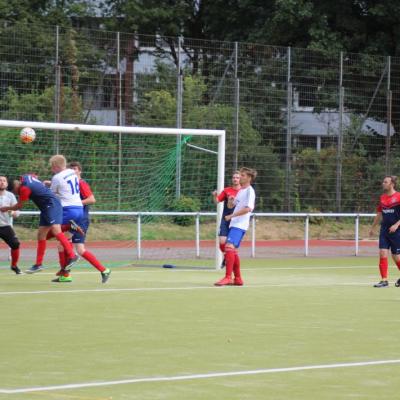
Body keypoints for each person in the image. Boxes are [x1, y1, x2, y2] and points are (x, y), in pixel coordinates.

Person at [0, 174, 79, 273]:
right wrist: (42, 185)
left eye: (16, 192)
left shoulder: (24, 189)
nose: (17, 194)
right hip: (45, 208)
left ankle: (72, 255)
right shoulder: (25, 177)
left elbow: (18, 206)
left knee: (55, 229)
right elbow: (35, 176)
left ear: (15, 188)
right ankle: (38, 264)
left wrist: (6, 208)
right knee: (41, 235)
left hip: (52, 204)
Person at [64, 161, 111, 283]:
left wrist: (76, 203)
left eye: (75, 169)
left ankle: (103, 270)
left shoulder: (81, 183)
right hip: (74, 219)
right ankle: (66, 274)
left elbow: (91, 199)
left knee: (78, 249)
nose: (73, 171)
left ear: (80, 171)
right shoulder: (71, 185)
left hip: (81, 220)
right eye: (71, 169)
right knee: (66, 244)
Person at [214, 167, 257, 287]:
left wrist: (231, 215)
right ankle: (238, 279)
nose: (240, 177)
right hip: (234, 224)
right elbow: (231, 204)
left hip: (240, 224)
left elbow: (248, 208)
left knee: (228, 247)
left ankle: (228, 277)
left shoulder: (249, 191)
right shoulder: (241, 191)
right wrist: (230, 202)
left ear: (249, 178)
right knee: (232, 251)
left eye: (242, 175)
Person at [370, 175, 400, 288]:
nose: (383, 183)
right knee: (382, 253)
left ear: (392, 184)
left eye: (385, 182)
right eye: (383, 182)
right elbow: (379, 213)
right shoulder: (382, 197)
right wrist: (372, 227)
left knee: (396, 256)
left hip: (397, 231)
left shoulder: (398, 197)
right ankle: (384, 280)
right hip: (384, 230)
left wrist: (396, 225)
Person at [212, 171, 241, 267]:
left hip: (237, 220)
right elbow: (216, 201)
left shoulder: (243, 192)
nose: (235, 179)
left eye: (237, 177)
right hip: (225, 219)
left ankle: (229, 262)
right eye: (234, 177)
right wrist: (214, 195)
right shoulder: (226, 190)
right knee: (222, 241)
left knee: (232, 245)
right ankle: (226, 257)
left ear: (240, 179)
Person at [0, 175, 22, 274]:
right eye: (0, 180)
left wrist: (13, 213)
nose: (2, 182)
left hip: (5, 226)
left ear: (7, 184)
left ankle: (14, 265)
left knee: (15, 244)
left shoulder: (10, 196)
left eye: (4, 181)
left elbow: (17, 213)